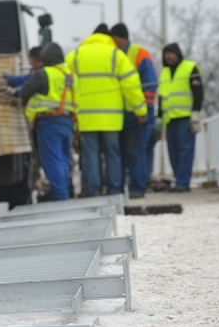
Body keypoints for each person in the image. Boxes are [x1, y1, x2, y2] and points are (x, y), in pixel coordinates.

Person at [66, 25, 148, 197]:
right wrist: (140, 110)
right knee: (113, 155)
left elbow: (65, 86)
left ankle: (93, 190)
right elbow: (131, 85)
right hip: (112, 118)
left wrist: (70, 112)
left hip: (85, 118)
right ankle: (114, 190)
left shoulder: (75, 55)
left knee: (90, 155)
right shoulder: (116, 55)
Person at [20, 43, 77, 200]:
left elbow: (25, 91)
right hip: (68, 122)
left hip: (50, 123)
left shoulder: (44, 74)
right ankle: (65, 191)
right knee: (64, 160)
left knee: (52, 160)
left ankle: (60, 195)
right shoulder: (70, 76)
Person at [110, 23, 157, 199]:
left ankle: (138, 187)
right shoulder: (114, 54)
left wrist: (144, 110)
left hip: (137, 114)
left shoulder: (139, 53)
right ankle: (122, 189)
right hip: (119, 114)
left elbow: (150, 83)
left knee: (135, 152)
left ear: (119, 37)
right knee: (120, 154)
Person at [157, 43, 204, 192]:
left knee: (185, 151)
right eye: (166, 53)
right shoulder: (164, 72)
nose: (168, 56)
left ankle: (183, 183)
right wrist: (159, 116)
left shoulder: (190, 67)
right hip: (170, 119)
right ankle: (179, 180)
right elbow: (161, 97)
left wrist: (195, 112)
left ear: (178, 54)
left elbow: (198, 91)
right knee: (173, 152)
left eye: (171, 53)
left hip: (185, 117)